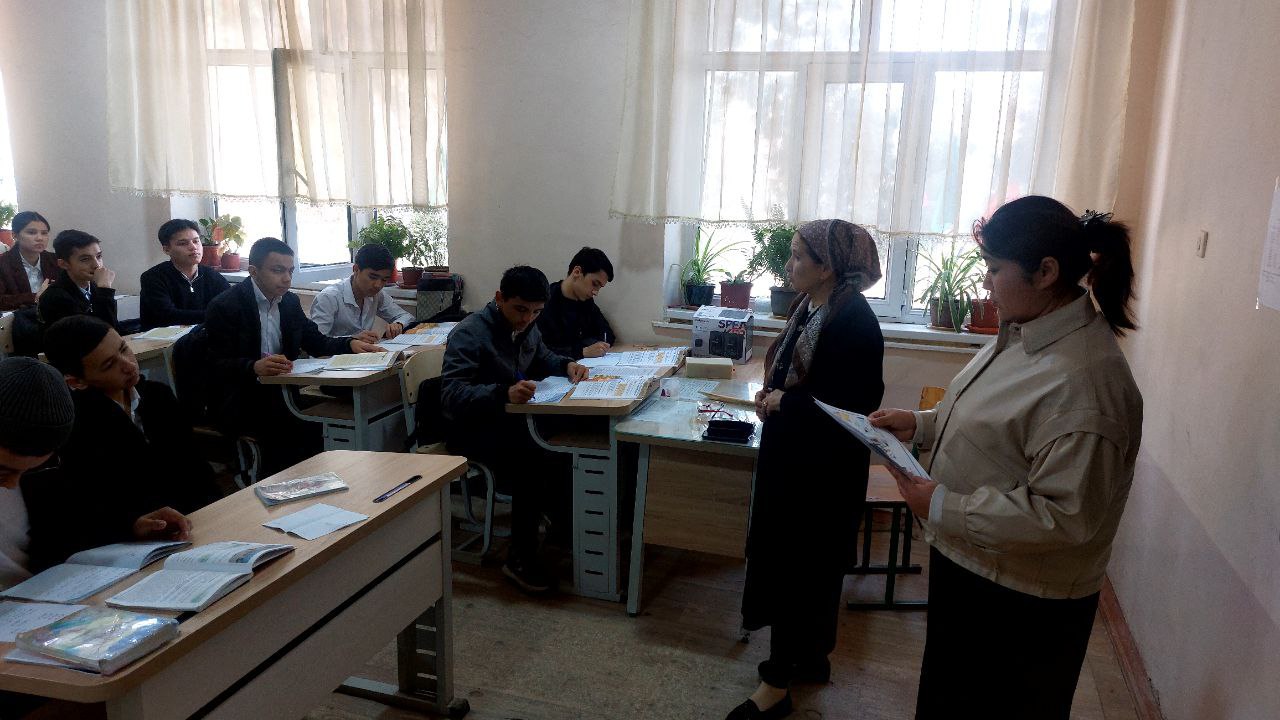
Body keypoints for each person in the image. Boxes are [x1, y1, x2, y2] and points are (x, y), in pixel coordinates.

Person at [869, 196, 1143, 720]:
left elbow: (1065, 517)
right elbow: (998, 423)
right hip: (976, 566)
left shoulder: (1085, 382)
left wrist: (941, 506)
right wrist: (922, 424)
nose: (986, 283)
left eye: (994, 269)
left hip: (1021, 603)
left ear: (1045, 272)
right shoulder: (1025, 333)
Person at [724, 220, 885, 720]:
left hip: (819, 473)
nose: (788, 264)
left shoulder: (852, 321)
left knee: (798, 569)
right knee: (805, 569)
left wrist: (783, 403)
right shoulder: (813, 305)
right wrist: (771, 394)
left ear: (828, 266)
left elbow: (850, 406)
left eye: (798, 256)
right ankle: (811, 659)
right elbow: (794, 376)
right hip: (795, 459)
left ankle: (776, 685)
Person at [439, 265, 588, 593]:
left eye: (536, 312)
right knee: (533, 458)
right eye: (520, 309)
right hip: (469, 428)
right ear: (499, 298)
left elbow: (543, 356)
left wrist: (567, 364)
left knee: (563, 446)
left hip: (508, 421)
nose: (527, 319)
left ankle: (560, 534)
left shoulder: (527, 327)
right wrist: (502, 393)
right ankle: (519, 559)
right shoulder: (470, 333)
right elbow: (451, 395)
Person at [0, 357, 190, 587]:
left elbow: (65, 532)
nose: (12, 484)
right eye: (4, 471)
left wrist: (131, 527)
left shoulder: (47, 469)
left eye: (31, 468)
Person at [202, 237, 383, 475]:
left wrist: (350, 343)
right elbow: (214, 365)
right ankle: (280, 484)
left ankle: (320, 481)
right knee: (294, 432)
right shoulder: (226, 305)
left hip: (281, 391)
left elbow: (316, 342)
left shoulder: (289, 301)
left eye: (290, 271)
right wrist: (253, 367)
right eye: (278, 270)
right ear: (253, 271)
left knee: (321, 425)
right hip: (240, 396)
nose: (287, 278)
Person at [41, 315, 220, 549]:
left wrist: (217, 512)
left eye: (124, 349)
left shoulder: (157, 396)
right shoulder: (75, 429)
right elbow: (87, 510)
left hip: (196, 524)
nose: (129, 365)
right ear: (77, 382)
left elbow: (195, 467)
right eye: (109, 365)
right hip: (135, 545)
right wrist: (131, 525)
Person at [139, 218, 231, 330]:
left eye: (196, 241)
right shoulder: (153, 278)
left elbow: (231, 306)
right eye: (183, 243)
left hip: (203, 336)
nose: (193, 247)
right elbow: (167, 316)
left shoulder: (212, 276)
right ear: (167, 250)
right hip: (162, 339)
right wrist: (215, 315)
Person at [311, 243, 414, 340]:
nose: (378, 285)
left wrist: (399, 324)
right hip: (335, 353)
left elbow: (406, 317)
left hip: (366, 352)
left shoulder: (377, 295)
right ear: (356, 269)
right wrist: (351, 340)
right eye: (373, 277)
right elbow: (316, 342)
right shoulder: (328, 297)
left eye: (384, 280)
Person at [536, 246, 616, 359]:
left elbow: (607, 334)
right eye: (595, 284)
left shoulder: (586, 301)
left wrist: (593, 347)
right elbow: (540, 350)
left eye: (600, 287)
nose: (596, 292)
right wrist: (582, 351)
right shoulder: (544, 303)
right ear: (577, 272)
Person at [37, 229, 118, 331]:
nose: (97, 265)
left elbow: (115, 330)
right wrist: (105, 290)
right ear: (63, 264)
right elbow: (102, 334)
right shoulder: (55, 297)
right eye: (85, 259)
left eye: (99, 256)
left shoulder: (94, 286)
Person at [0, 211, 57, 311]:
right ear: (15, 235)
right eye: (31, 232)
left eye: (44, 233)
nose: (40, 238)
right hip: (17, 318)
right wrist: (35, 297)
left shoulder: (55, 260)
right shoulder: (3, 263)